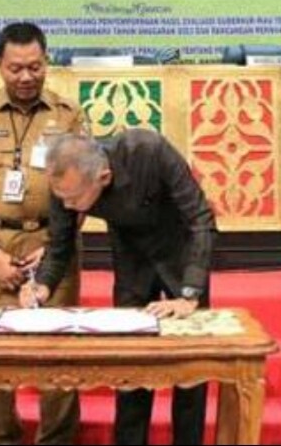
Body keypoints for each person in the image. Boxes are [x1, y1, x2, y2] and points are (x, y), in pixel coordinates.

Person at [26, 129, 216, 446]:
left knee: (190, 371)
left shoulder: (149, 150)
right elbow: (60, 243)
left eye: (74, 199)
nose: (67, 205)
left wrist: (190, 293)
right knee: (130, 370)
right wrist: (42, 285)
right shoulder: (65, 179)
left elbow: (201, 220)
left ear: (103, 177)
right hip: (131, 258)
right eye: (62, 198)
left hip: (181, 254)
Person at [0, 21, 84, 445]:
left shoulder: (68, 115)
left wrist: (55, 248)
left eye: (35, 67)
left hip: (52, 247)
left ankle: (57, 439)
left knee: (58, 357)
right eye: (15, 68)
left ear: (47, 62)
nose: (26, 76)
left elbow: (84, 189)